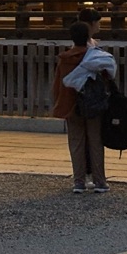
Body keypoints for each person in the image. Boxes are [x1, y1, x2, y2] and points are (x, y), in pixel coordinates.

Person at [52, 21, 116, 193]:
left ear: (71, 38)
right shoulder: (96, 57)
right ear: (88, 37)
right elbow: (108, 76)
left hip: (71, 103)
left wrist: (59, 102)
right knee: (96, 142)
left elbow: (58, 85)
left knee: (76, 143)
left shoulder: (65, 59)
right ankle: (100, 181)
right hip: (94, 105)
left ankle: (79, 181)